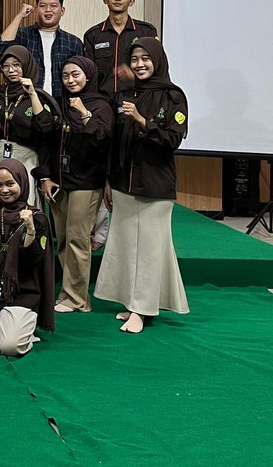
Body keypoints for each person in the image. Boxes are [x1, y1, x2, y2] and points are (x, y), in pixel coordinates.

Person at [94, 38, 190, 334]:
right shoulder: (124, 94)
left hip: (155, 186)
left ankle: (143, 309)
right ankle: (132, 302)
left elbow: (172, 139)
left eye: (146, 59)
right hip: (123, 184)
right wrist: (109, 180)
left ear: (158, 60)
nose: (139, 64)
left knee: (149, 250)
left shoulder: (173, 96)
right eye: (134, 59)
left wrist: (142, 120)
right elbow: (112, 142)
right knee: (126, 247)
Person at [43, 55, 113, 314]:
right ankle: (71, 294)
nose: (70, 80)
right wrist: (46, 177)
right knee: (61, 238)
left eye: (76, 75)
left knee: (77, 239)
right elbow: (49, 143)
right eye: (65, 76)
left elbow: (103, 141)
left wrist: (85, 114)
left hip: (87, 181)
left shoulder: (100, 105)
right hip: (60, 182)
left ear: (88, 75)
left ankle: (77, 299)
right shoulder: (59, 104)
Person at [0, 159, 55, 356]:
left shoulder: (37, 218)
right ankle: (4, 324)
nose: (4, 190)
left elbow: (33, 263)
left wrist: (30, 230)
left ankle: (23, 331)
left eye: (10, 184)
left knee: (9, 347)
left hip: (21, 292)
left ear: (22, 184)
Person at [0, 46, 59, 208]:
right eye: (5, 66)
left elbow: (46, 129)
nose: (11, 70)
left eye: (16, 65)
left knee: (24, 203)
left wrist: (32, 93)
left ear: (26, 65)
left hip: (26, 156)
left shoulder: (38, 96)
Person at [0, 0, 85, 102]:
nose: (48, 10)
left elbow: (80, 76)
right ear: (36, 10)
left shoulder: (73, 42)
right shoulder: (23, 35)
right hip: (25, 101)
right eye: (43, 6)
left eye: (53, 6)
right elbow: (2, 48)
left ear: (62, 11)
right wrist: (19, 16)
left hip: (61, 103)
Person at [82, 0, 159, 96]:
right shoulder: (93, 35)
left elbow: (158, 68)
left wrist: (134, 78)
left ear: (132, 1)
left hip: (138, 99)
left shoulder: (146, 31)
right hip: (104, 102)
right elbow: (89, 75)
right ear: (105, 0)